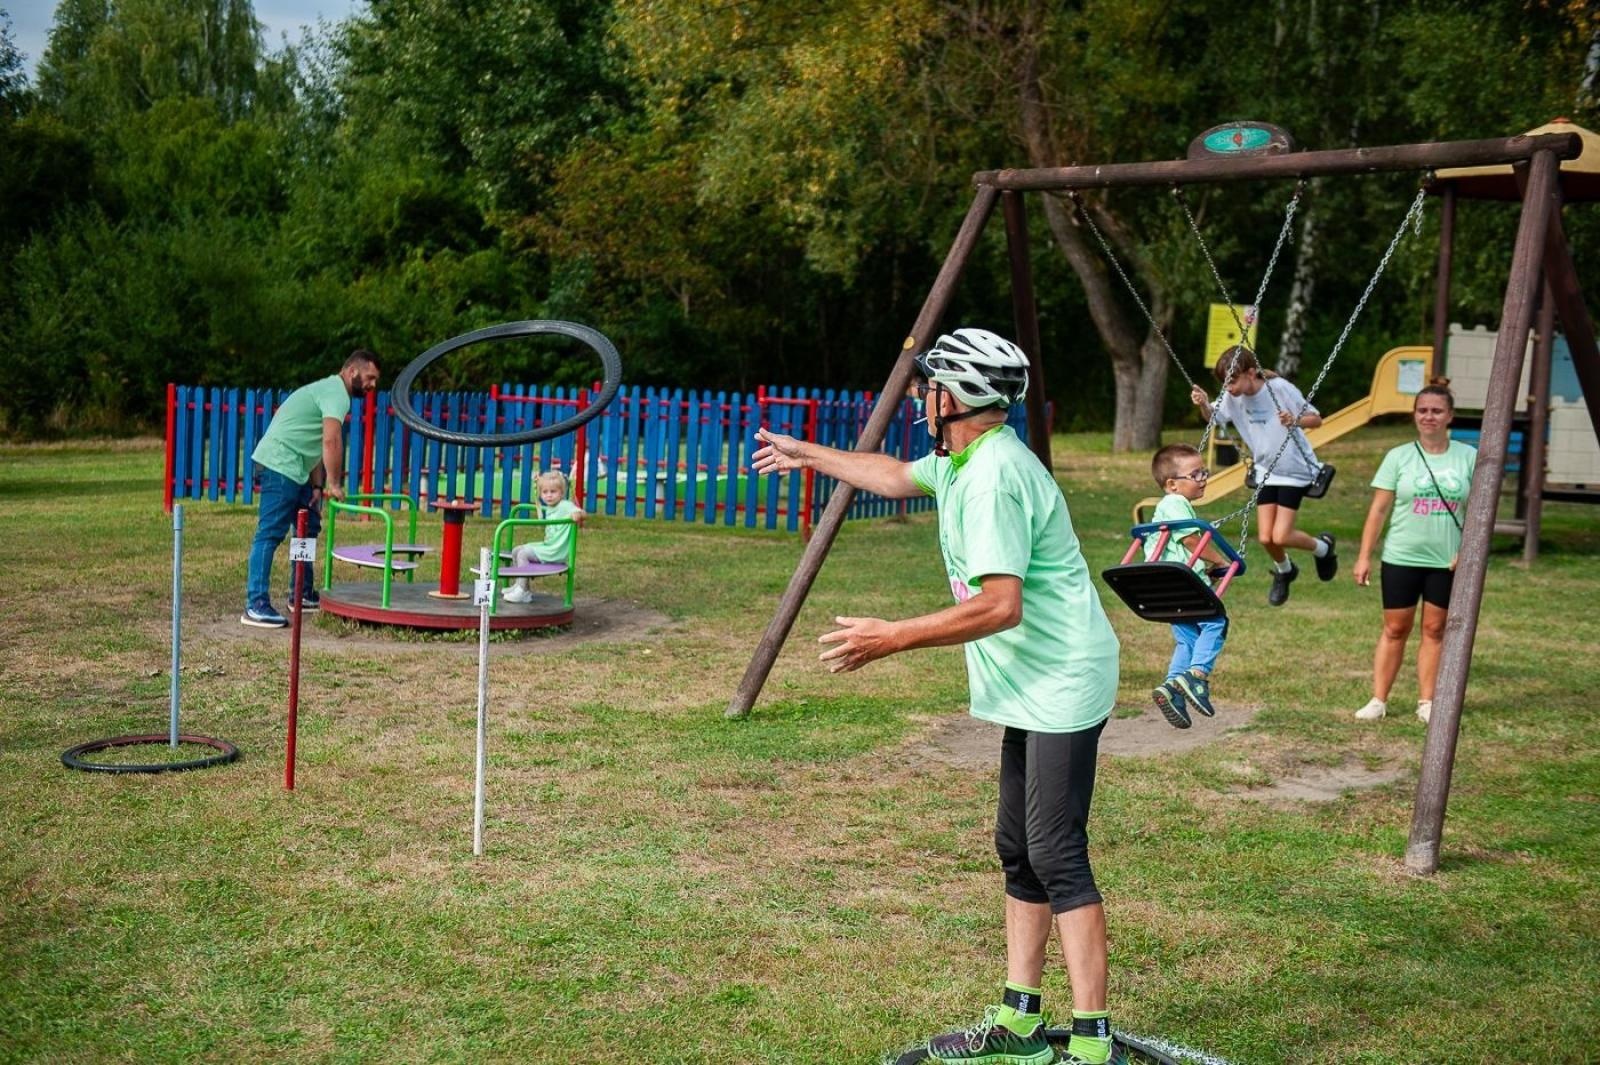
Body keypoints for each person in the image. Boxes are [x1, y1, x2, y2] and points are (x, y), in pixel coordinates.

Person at [753, 328, 1124, 1065]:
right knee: (1018, 847)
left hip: (1060, 680)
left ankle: (1092, 1039)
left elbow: (999, 605)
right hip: (1033, 680)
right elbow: (893, 475)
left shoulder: (992, 477)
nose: (923, 397)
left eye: (931, 386)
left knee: (1055, 851)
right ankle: (1020, 1024)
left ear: (951, 396)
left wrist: (893, 635)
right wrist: (808, 453)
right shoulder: (965, 458)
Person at [1352, 381, 1475, 723]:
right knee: (1395, 628)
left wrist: (1468, 551)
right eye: (1423, 410)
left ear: (1449, 416)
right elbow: (1378, 510)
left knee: (1435, 630)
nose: (1429, 417)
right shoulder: (1399, 456)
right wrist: (1364, 555)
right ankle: (1378, 699)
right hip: (1401, 556)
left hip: (1447, 560)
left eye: (1437, 411)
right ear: (1414, 415)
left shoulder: (1468, 457)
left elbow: (1481, 511)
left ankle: (1427, 701)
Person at [242, 350, 381, 628]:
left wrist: (317, 485)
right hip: (280, 463)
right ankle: (255, 604)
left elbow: (316, 441)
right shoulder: (336, 393)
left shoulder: (329, 390)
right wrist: (334, 483)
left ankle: (301, 593)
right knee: (270, 533)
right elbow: (331, 441)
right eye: (370, 378)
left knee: (307, 527)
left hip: (298, 468)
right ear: (353, 371)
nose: (372, 386)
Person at [1190, 346, 1337, 606]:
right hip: (1265, 471)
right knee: (1266, 537)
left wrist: (1295, 420)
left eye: (1232, 380)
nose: (1229, 388)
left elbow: (1316, 419)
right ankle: (1285, 571)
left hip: (1294, 470)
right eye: (1224, 382)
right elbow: (1214, 418)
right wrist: (1204, 404)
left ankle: (1324, 548)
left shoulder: (1279, 388)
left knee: (1280, 536)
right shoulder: (1231, 396)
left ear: (1250, 373)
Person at [1145, 444, 1231, 730]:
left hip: (1164, 584)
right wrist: (1222, 560)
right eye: (1196, 474)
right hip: (1179, 580)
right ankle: (1196, 676)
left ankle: (1172, 688)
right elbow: (1191, 541)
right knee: (1215, 622)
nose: (1204, 478)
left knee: (1187, 639)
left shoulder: (1166, 507)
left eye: (1204, 472)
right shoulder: (1174, 503)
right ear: (1172, 484)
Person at [502, 470, 584, 604]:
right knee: (516, 550)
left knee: (523, 554)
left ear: (562, 493)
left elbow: (580, 512)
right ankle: (521, 586)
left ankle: (522, 590)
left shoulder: (564, 506)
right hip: (548, 546)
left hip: (555, 551)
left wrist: (578, 515)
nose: (549, 496)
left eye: (553, 492)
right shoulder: (551, 506)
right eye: (545, 492)